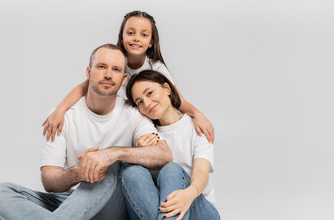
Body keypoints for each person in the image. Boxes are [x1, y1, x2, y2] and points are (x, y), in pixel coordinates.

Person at [0, 44, 172, 220]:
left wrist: (111, 155)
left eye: (116, 70)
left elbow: (164, 154)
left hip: (109, 211)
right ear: (88, 72)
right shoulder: (62, 117)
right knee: (0, 194)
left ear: (124, 79)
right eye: (102, 67)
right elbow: (49, 181)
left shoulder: (132, 114)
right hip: (70, 202)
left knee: (108, 165)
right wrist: (79, 172)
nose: (108, 74)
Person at [42, 10, 215, 144]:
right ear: (122, 36)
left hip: (153, 121)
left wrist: (198, 114)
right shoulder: (116, 62)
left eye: (144, 35)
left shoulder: (157, 68)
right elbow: (84, 87)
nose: (136, 39)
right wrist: (59, 110)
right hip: (130, 123)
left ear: (151, 42)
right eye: (130, 33)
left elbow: (177, 100)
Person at [120, 70, 220, 220]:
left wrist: (189, 194)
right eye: (139, 102)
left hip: (198, 213)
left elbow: (201, 171)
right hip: (158, 212)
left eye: (150, 93)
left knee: (171, 169)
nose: (146, 103)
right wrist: (140, 153)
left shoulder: (196, 126)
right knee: (131, 169)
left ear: (167, 89)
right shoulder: (146, 134)